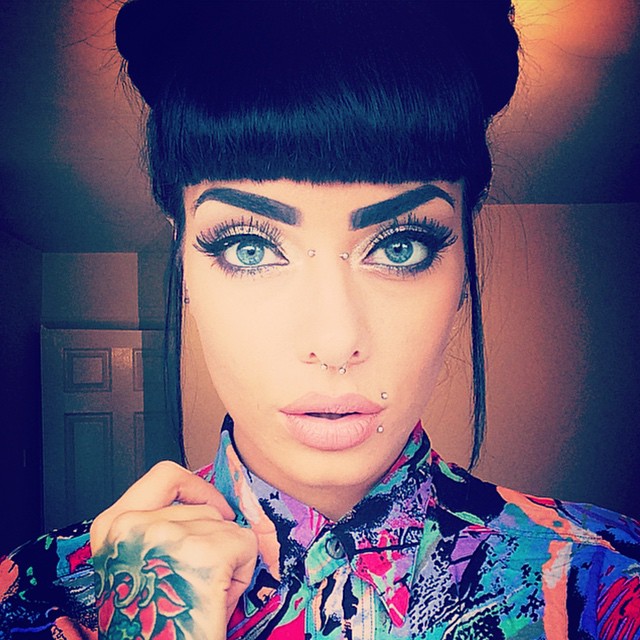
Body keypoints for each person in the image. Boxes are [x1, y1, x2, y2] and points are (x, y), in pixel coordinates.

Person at [1, 1, 639, 638]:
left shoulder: (604, 582)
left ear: (462, 265)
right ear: (184, 259)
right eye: (249, 248)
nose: (335, 341)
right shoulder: (33, 598)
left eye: (401, 247)